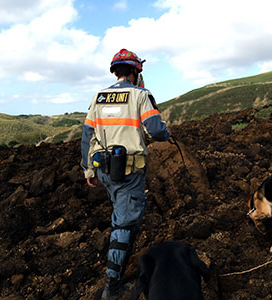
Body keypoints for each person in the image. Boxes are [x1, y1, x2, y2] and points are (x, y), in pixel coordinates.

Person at [80, 48, 170, 300]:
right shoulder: (140, 95)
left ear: (115, 72)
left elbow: (87, 135)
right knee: (125, 223)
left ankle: (121, 252)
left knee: (122, 212)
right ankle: (112, 285)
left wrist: (88, 168)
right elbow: (154, 128)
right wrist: (166, 133)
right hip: (129, 171)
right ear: (134, 71)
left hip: (103, 169)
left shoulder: (98, 96)